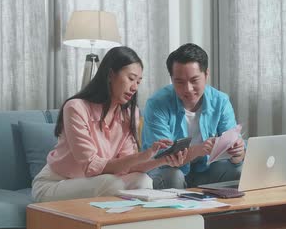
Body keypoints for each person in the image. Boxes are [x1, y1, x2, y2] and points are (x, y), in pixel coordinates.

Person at [32, 46, 187, 202]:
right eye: (131, 78)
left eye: (138, 82)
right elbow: (91, 166)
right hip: (54, 184)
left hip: (95, 183)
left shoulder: (128, 114)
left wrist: (161, 159)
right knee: (111, 183)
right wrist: (141, 155)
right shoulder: (76, 108)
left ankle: (137, 225)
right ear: (111, 74)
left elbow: (127, 167)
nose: (135, 87)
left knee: (143, 180)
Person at [142, 43, 245, 189]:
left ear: (206, 74)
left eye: (194, 80)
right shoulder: (157, 104)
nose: (188, 89)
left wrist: (237, 153)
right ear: (171, 79)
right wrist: (200, 149)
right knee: (174, 175)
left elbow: (236, 152)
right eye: (179, 82)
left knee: (238, 171)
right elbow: (165, 158)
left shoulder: (220, 101)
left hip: (204, 170)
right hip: (165, 171)